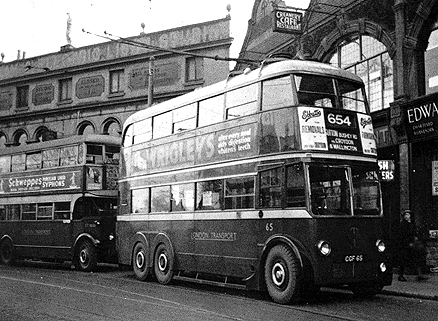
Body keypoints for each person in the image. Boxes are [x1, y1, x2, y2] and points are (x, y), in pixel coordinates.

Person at [398, 210, 427, 281]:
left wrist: (416, 237)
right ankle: (400, 275)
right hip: (405, 244)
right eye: (405, 215)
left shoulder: (412, 224)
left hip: (412, 244)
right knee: (403, 260)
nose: (406, 216)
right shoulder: (403, 224)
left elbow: (414, 232)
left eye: (407, 215)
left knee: (417, 257)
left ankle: (419, 274)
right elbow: (403, 234)